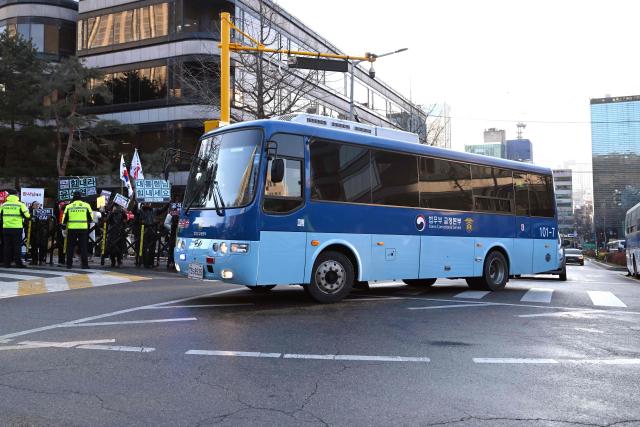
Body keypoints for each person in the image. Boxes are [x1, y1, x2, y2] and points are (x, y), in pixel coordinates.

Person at [62, 192, 93, 269]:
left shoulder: (69, 206)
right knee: (83, 247)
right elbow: (91, 218)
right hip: (83, 229)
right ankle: (84, 265)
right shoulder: (86, 205)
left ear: (73, 198)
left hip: (72, 229)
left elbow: (64, 220)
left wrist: (64, 227)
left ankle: (69, 264)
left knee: (70, 247)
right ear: (81, 197)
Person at [0, 189, 30, 268]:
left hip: (6, 228)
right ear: (16, 195)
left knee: (7, 246)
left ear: (9, 195)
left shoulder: (4, 205)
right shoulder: (20, 204)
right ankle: (18, 263)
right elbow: (27, 216)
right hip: (17, 228)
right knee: (16, 246)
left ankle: (7, 263)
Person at [28, 201, 49, 265]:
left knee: (42, 246)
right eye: (36, 205)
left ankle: (42, 260)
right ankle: (34, 260)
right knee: (34, 247)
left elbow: (46, 222)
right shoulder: (29, 213)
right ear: (32, 205)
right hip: (33, 232)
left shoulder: (42, 212)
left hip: (42, 233)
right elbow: (27, 222)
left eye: (38, 205)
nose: (37, 206)